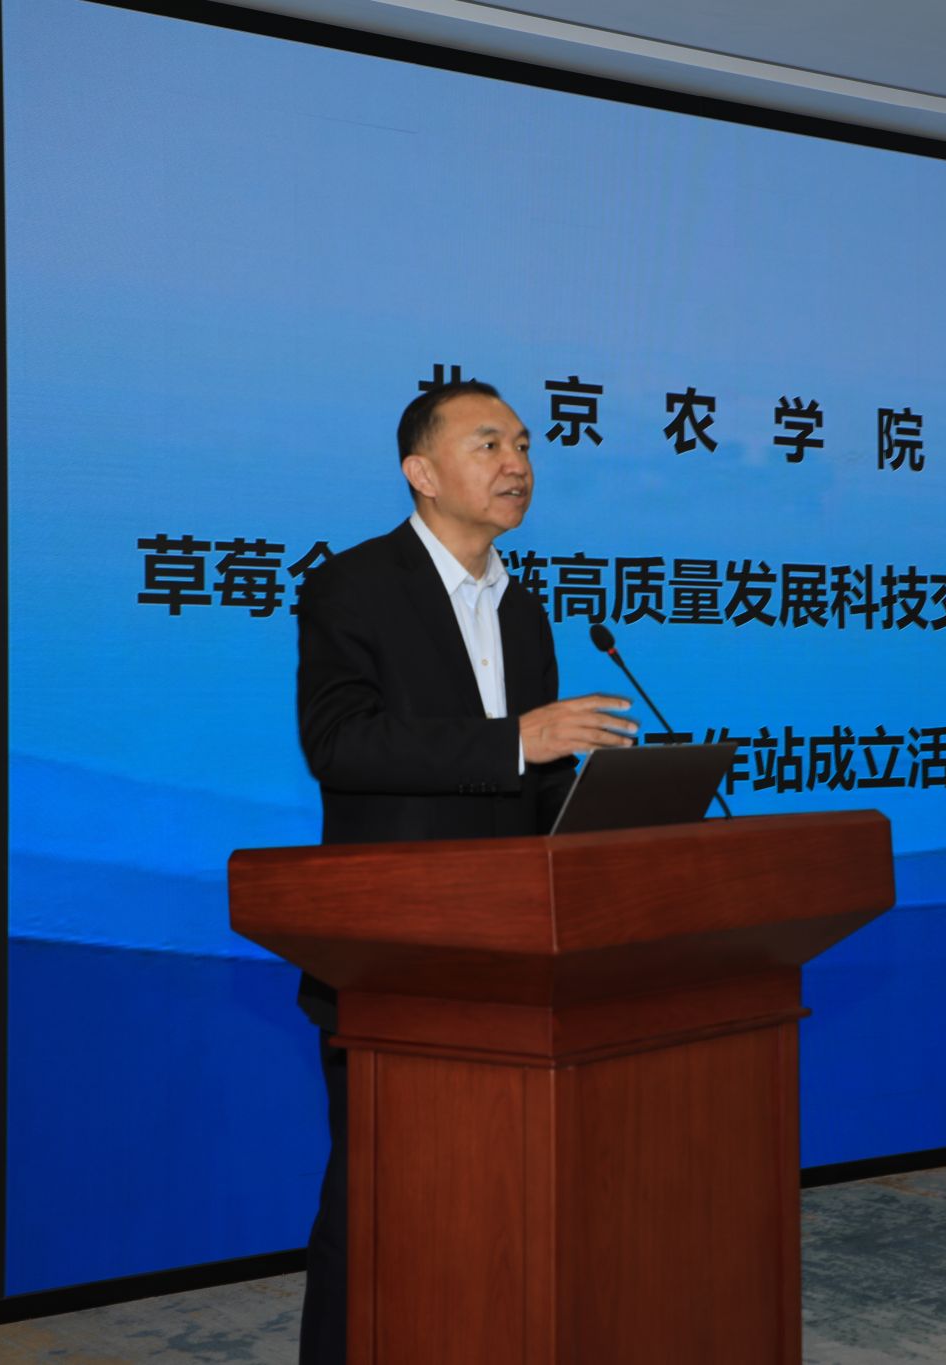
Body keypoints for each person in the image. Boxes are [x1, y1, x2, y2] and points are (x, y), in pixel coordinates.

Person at [292, 380, 637, 1365]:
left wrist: (600, 829)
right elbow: (340, 743)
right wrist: (515, 740)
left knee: (491, 1203)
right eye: (488, 444)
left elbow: (535, 782)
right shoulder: (353, 585)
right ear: (421, 471)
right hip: (396, 953)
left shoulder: (523, 610)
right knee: (375, 1198)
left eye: (523, 444)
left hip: (510, 957)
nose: (517, 464)